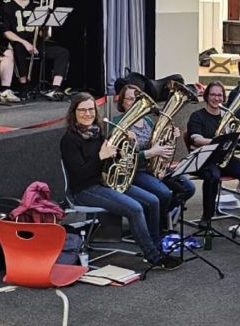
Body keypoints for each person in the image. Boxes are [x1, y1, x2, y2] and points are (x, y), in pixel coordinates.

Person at [59, 93, 181, 270]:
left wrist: (127, 147)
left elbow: (112, 160)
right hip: (84, 189)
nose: (87, 113)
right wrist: (101, 157)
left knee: (153, 201)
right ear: (74, 112)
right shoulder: (69, 140)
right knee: (135, 208)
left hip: (105, 182)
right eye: (82, 110)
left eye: (91, 109)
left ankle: (156, 246)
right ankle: (154, 256)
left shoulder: (97, 133)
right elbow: (79, 174)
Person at [114, 85, 196, 231]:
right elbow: (120, 158)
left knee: (188, 188)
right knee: (163, 194)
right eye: (130, 99)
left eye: (137, 98)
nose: (135, 102)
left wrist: (171, 135)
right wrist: (152, 153)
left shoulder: (148, 121)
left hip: (152, 167)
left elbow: (157, 142)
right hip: (134, 171)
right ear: (122, 102)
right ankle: (156, 227)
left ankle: (161, 215)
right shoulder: (118, 122)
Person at [186, 81, 240, 227]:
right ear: (206, 96)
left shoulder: (227, 115)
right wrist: (218, 141)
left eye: (220, 95)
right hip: (204, 159)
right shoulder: (197, 116)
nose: (216, 98)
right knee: (213, 176)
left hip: (224, 158)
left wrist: (236, 135)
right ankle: (207, 217)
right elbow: (196, 139)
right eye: (213, 94)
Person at [1, 0, 70, 99]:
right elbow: (6, 32)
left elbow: (44, 36)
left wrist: (46, 26)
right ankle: (24, 87)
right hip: (19, 42)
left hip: (37, 43)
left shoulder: (37, 4)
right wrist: (25, 43)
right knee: (18, 48)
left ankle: (55, 88)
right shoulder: (6, 4)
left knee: (62, 52)